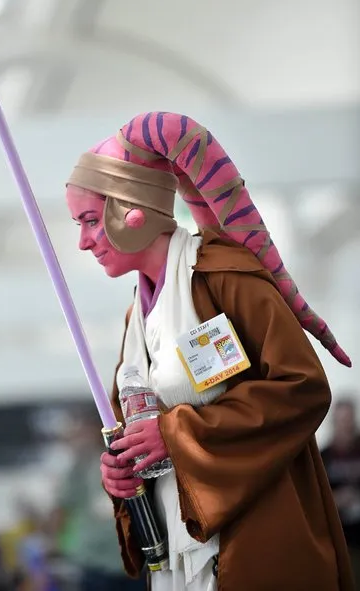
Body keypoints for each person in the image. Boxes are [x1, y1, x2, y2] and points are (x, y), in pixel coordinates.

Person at [65, 111, 354, 591]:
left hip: (254, 541)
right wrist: (122, 470)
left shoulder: (224, 276)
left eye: (91, 220)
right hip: (179, 560)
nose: (82, 242)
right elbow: (137, 424)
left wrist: (175, 435)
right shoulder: (135, 316)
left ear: (131, 210)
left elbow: (301, 388)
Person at [57, 407, 147, 591]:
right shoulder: (82, 464)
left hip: (136, 560)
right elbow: (63, 505)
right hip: (95, 564)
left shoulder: (131, 455)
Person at [322, 399, 360, 587]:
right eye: (341, 421)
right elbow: (315, 501)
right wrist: (337, 500)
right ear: (334, 422)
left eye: (349, 420)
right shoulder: (324, 457)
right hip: (337, 539)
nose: (346, 426)